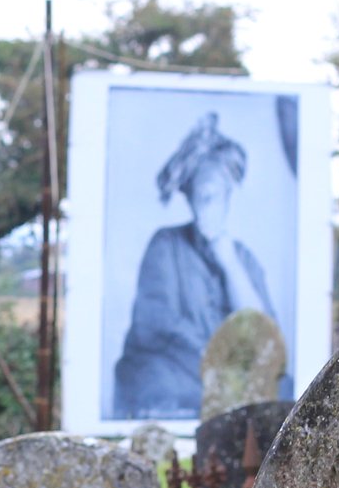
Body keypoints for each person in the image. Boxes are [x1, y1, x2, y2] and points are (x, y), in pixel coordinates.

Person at [113, 112, 277, 417]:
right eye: (201, 198)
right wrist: (216, 364)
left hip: (229, 380)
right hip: (175, 373)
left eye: (213, 197)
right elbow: (156, 323)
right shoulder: (166, 245)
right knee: (158, 384)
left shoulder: (243, 258)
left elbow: (263, 335)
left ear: (228, 197)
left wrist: (228, 261)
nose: (206, 208)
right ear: (189, 199)